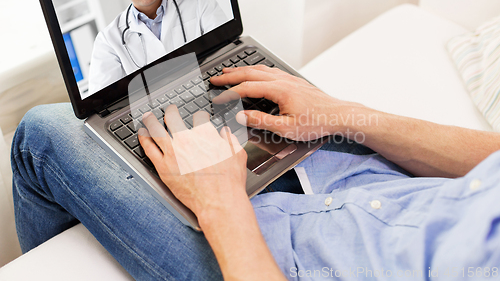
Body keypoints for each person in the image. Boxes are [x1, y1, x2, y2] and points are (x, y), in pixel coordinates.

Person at [12, 65, 500, 280]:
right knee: (232, 89)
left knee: (42, 133)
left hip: (263, 262)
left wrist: (220, 199)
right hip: (366, 184)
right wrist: (344, 114)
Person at [88, 0, 228, 95]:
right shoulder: (108, 40)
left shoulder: (199, 0)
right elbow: (103, 100)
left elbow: (227, 50)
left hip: (209, 88)